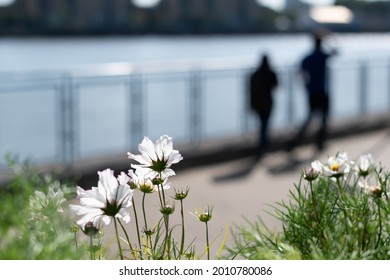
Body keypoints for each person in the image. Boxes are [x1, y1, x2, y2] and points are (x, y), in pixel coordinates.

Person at [288, 32, 337, 152]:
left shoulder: (308, 58)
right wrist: (329, 39)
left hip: (312, 91)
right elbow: (336, 52)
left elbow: (300, 71)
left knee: (310, 117)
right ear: (321, 44)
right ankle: (318, 142)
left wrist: (305, 84)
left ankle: (297, 140)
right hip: (322, 91)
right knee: (324, 118)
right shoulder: (323, 55)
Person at [249, 54, 278, 157]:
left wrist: (251, 104)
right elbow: (276, 85)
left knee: (263, 125)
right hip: (268, 103)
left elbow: (251, 90)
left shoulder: (256, 74)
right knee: (265, 125)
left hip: (258, 104)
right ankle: (264, 146)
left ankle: (263, 146)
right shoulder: (271, 73)